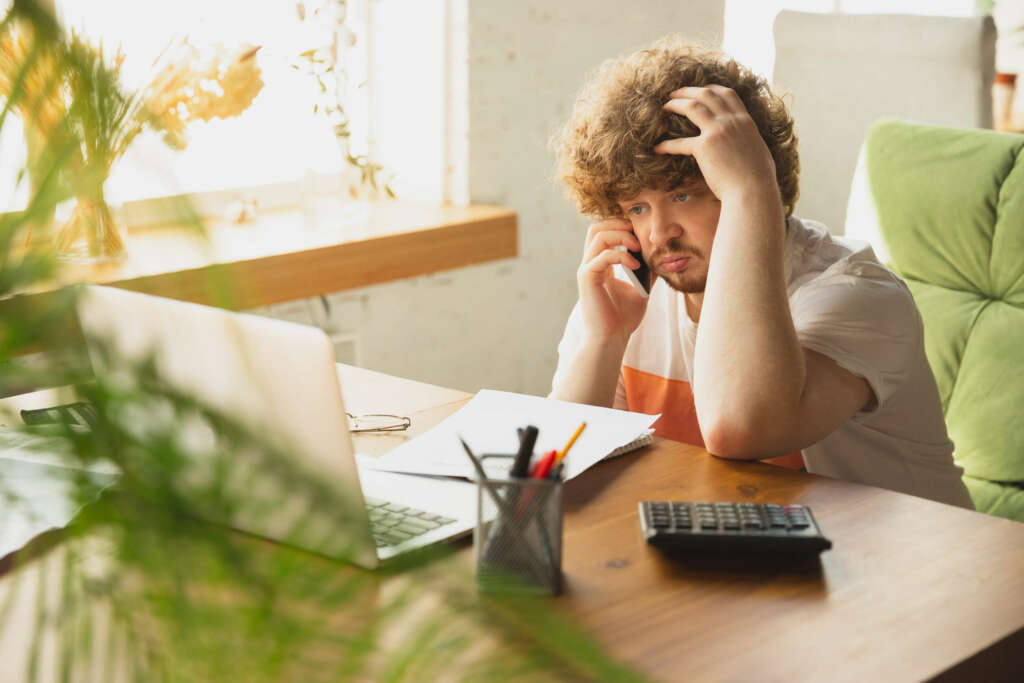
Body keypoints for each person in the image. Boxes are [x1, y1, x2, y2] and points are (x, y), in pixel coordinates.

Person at [549, 36, 973, 508]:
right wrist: (602, 341)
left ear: (746, 179)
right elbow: (559, 472)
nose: (659, 233)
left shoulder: (858, 294)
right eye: (638, 207)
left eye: (684, 195)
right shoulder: (630, 296)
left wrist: (753, 192)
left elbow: (741, 429)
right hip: (750, 562)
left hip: (915, 569)